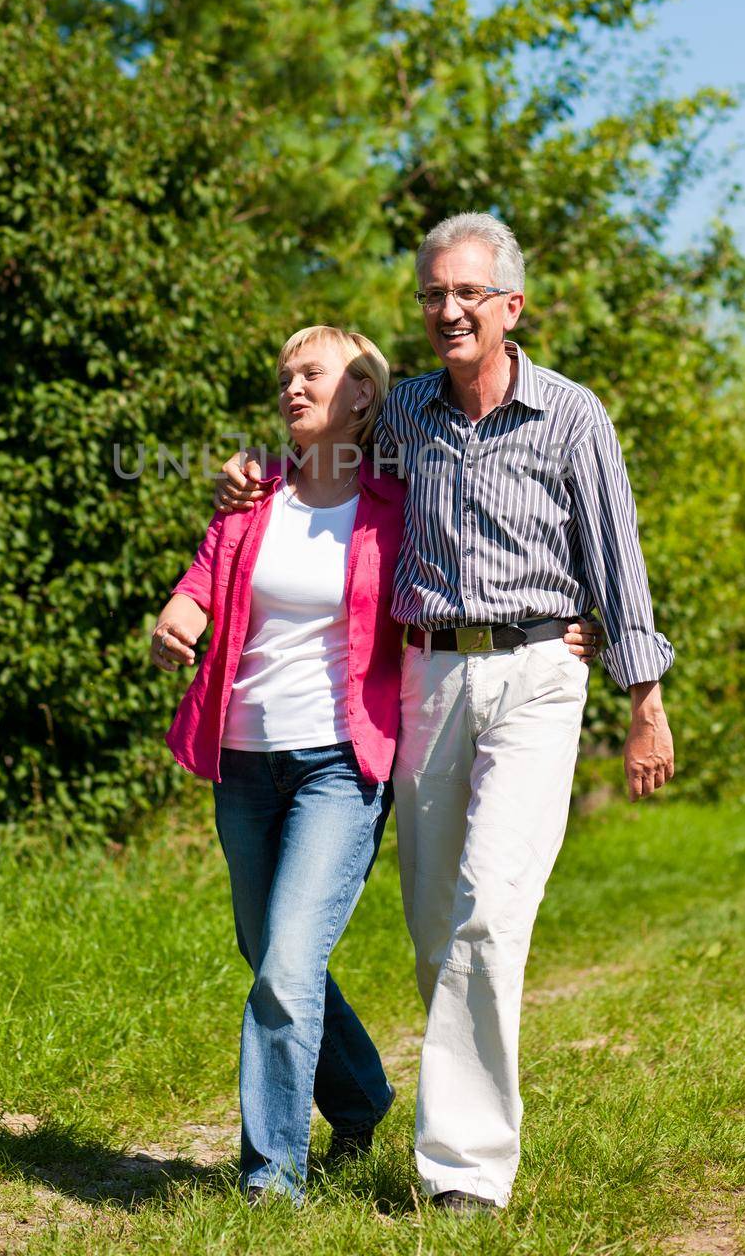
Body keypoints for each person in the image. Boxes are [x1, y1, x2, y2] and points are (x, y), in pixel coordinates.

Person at [217, 213, 675, 1219]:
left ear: (511, 305)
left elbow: (615, 557)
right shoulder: (408, 414)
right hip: (426, 678)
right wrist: (248, 470)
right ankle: (410, 1112)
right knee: (432, 926)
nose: (447, 309)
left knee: (482, 914)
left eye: (467, 292)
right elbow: (318, 457)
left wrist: (643, 694)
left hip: (537, 676)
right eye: (431, 293)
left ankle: (463, 1172)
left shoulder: (568, 415)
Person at [153, 319, 601, 1207]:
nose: (291, 388)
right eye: (283, 374)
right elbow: (205, 578)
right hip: (243, 758)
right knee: (271, 953)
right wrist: (180, 615)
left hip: (340, 762)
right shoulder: (253, 496)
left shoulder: (399, 502)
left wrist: (557, 620)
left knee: (284, 966)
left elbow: (482, 556)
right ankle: (359, 1098)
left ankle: (270, 1182)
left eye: (311, 373)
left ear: (363, 393)